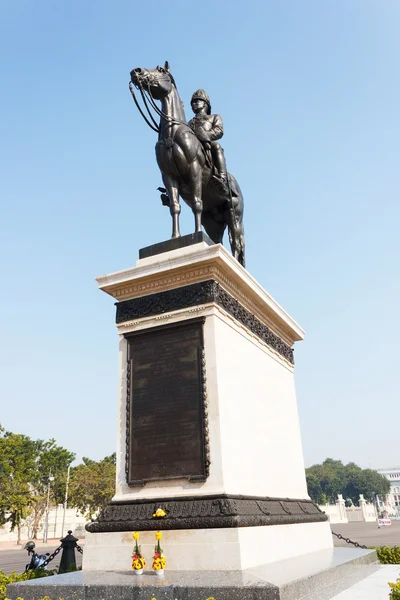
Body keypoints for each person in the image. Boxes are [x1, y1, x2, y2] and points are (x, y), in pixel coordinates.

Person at [188, 89, 229, 192]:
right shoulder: (189, 123)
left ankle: (222, 178)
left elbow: (219, 131)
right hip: (193, 146)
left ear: (205, 104)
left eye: (197, 101)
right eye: (193, 102)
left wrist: (204, 135)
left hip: (208, 144)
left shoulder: (214, 117)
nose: (194, 104)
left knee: (217, 146)